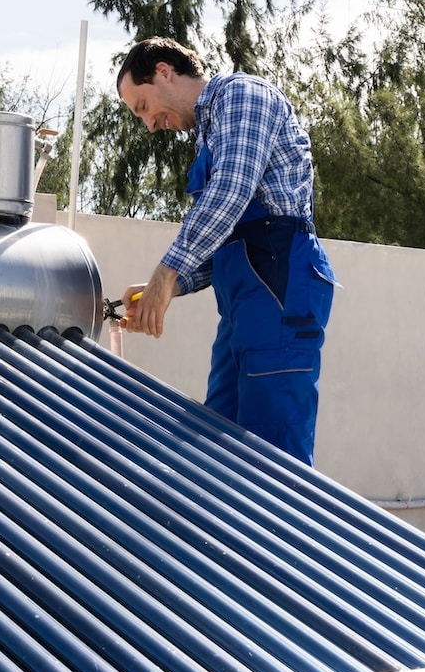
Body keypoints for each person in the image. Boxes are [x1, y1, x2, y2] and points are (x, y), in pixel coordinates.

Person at [117, 37, 337, 465]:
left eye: (143, 107)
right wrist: (168, 285)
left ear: (164, 71)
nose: (149, 125)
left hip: (280, 293)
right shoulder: (209, 135)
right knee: (219, 450)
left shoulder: (242, 94)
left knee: (274, 460)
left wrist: (167, 272)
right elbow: (221, 244)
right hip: (241, 308)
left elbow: (231, 192)